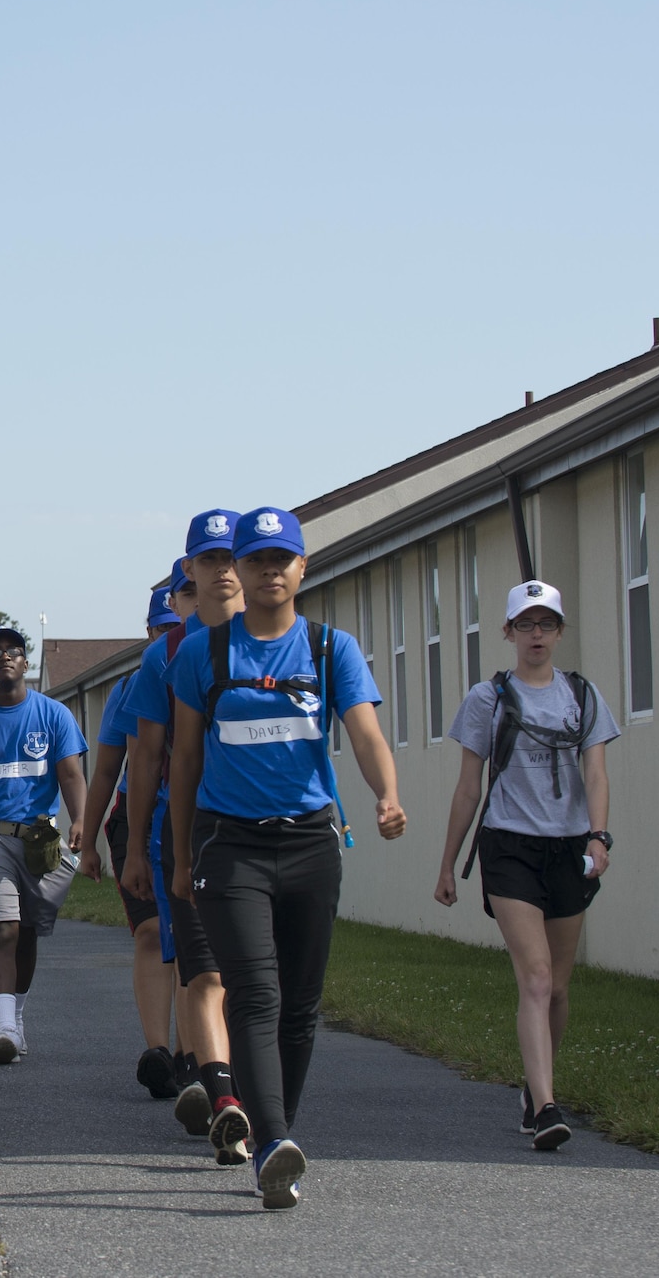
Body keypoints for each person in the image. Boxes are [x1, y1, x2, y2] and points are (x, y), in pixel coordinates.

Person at [167, 506, 406, 1209]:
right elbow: (183, 759)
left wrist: (386, 794)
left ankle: (278, 1133)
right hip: (228, 842)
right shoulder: (202, 654)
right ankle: (270, 1140)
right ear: (235, 570)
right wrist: (179, 855)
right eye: (257, 558)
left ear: (303, 567)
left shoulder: (332, 649)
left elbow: (363, 732)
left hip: (309, 842)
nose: (270, 570)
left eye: (283, 559)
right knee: (256, 991)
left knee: (300, 1004)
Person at [434, 579, 616, 1151]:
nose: (536, 634)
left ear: (560, 632)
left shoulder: (582, 697)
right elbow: (468, 787)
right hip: (508, 844)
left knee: (559, 987)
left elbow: (596, 773)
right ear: (508, 632)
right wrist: (446, 865)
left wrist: (599, 836)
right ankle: (545, 1107)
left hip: (568, 848)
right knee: (535, 977)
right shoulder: (487, 699)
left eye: (546, 624)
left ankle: (536, 1089)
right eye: (526, 624)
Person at [121, 513, 245, 1155]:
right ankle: (215, 1085)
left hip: (269, 831)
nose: (221, 574)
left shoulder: (286, 642)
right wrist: (135, 845)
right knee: (205, 975)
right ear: (185, 574)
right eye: (206, 564)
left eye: (233, 559)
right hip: (189, 828)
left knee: (259, 981)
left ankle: (237, 1085)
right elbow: (143, 756)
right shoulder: (166, 655)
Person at [73, 585, 183, 1097]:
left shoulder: (210, 672)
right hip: (135, 819)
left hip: (199, 818)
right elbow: (106, 771)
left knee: (194, 940)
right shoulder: (130, 688)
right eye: (160, 630)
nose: (169, 637)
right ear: (149, 634)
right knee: (151, 931)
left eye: (174, 627)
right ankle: (159, 1049)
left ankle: (197, 1052)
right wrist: (89, 837)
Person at [0, 625, 88, 1064]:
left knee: (27, 933)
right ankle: (2, 1028)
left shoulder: (53, 715)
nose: (5, 657)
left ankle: (16, 1019)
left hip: (40, 840)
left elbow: (72, 775)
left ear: (25, 662)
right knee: (0, 928)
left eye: (13, 651)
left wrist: (81, 821)